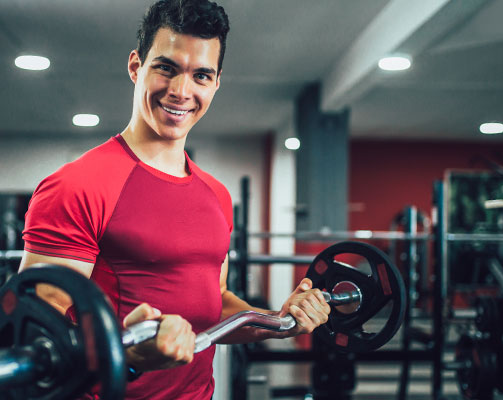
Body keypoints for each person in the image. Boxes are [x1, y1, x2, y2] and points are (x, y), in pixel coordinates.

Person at [19, 0, 331, 399]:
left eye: (201, 75)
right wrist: (129, 351)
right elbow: (35, 336)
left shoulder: (216, 196)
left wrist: (281, 320)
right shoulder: (77, 185)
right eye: (166, 67)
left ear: (216, 83)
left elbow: (212, 306)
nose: (181, 91)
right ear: (136, 66)